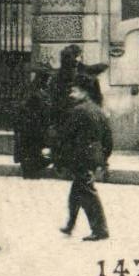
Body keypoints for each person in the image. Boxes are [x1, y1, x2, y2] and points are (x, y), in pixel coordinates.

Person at [54, 79, 112, 241]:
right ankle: (70, 224)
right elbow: (108, 140)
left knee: (87, 192)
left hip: (81, 157)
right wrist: (103, 160)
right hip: (95, 157)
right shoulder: (99, 111)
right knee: (77, 191)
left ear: (84, 92)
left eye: (75, 91)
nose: (72, 94)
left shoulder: (78, 111)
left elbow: (66, 137)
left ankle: (100, 230)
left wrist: (59, 158)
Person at [12, 69, 52, 179]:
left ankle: (30, 173)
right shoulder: (37, 95)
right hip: (33, 130)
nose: (48, 82)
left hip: (30, 130)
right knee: (33, 155)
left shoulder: (32, 91)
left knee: (31, 155)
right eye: (47, 80)